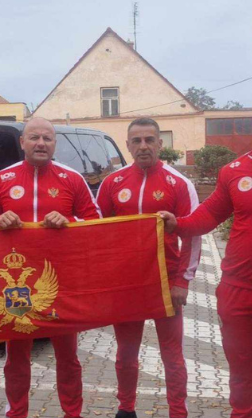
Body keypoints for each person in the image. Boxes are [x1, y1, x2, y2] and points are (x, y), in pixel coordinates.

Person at [160, 101, 252, 418]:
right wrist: (178, 224)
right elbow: (210, 214)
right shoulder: (234, 171)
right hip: (238, 292)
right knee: (241, 380)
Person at [0, 117, 101, 418]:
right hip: (15, 288)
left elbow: (96, 221)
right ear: (23, 142)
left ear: (55, 144)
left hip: (59, 282)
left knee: (68, 357)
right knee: (17, 358)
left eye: (47, 138)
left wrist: (70, 221)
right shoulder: (1, 179)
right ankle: (16, 413)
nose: (41, 143)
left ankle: (73, 413)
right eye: (34, 138)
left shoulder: (72, 179)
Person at [96, 118, 200, 418]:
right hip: (126, 284)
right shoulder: (112, 183)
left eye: (149, 140)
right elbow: (96, 231)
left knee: (172, 355)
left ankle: (177, 412)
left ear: (160, 144)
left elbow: (192, 234)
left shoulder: (178, 183)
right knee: (126, 353)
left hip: (165, 283)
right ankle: (126, 409)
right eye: (137, 141)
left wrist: (183, 281)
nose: (143, 146)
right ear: (128, 145)